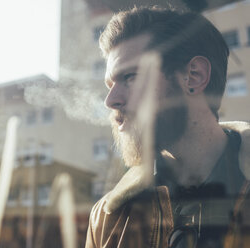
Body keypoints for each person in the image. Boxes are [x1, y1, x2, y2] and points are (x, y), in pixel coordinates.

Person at [85, 6, 250, 248]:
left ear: (193, 76)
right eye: (110, 84)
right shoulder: (107, 218)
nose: (111, 101)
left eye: (130, 77)